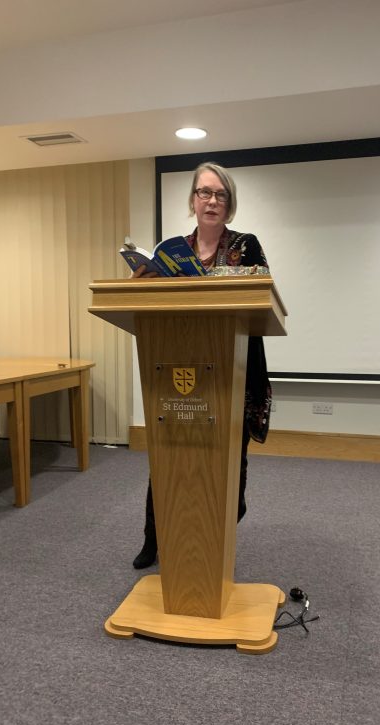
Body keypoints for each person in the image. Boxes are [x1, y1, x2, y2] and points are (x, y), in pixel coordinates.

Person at [132, 161, 272, 569]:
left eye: (220, 194)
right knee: (169, 456)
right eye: (204, 193)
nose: (211, 201)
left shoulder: (246, 244)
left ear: (229, 204)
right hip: (177, 367)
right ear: (192, 200)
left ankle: (218, 527)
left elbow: (259, 288)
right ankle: (153, 538)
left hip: (233, 373)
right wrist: (145, 283)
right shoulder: (173, 251)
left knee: (228, 461)